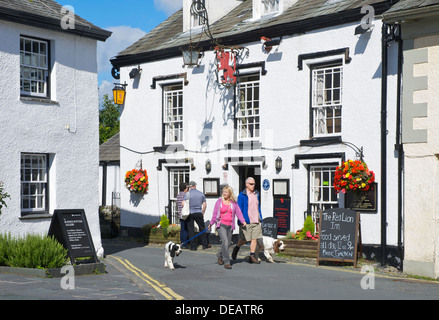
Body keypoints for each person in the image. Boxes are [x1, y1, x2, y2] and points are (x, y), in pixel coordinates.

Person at [208, 185, 246, 269]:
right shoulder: (219, 202)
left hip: (230, 225)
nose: (224, 193)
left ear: (230, 193)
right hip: (221, 225)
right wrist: (211, 223)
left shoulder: (233, 203)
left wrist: (243, 221)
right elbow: (215, 214)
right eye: (223, 192)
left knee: (228, 244)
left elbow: (238, 212)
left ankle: (219, 254)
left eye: (226, 192)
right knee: (225, 242)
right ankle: (227, 262)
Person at [232, 177, 263, 264]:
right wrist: (241, 220)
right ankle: (237, 247)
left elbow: (258, 206)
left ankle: (252, 256)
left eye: (254, 184)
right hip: (246, 221)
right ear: (246, 184)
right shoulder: (242, 195)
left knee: (254, 238)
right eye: (251, 184)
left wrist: (260, 217)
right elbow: (239, 209)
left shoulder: (256, 193)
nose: (253, 186)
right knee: (245, 239)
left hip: (256, 220)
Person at [182, 181, 211, 250]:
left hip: (190, 213)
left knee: (191, 230)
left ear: (189, 186)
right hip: (198, 213)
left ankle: (193, 246)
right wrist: (202, 213)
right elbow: (205, 205)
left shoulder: (187, 194)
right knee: (202, 228)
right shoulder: (201, 194)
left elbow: (183, 204)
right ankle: (204, 244)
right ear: (195, 185)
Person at [177, 182, 189, 248]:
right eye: (187, 187)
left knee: (182, 229)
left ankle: (182, 242)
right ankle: (185, 243)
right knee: (185, 229)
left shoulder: (178, 195)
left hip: (180, 213)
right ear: (185, 188)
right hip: (185, 214)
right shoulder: (185, 195)